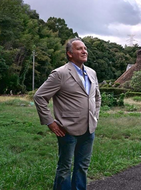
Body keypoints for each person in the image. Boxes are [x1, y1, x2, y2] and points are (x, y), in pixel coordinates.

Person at [34, 38, 101, 190]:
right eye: (79, 49)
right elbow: (39, 97)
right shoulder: (60, 74)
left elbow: (97, 97)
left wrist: (94, 116)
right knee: (65, 168)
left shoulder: (91, 72)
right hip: (67, 130)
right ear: (70, 54)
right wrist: (50, 122)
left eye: (85, 48)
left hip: (89, 129)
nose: (84, 51)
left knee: (82, 167)